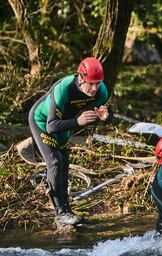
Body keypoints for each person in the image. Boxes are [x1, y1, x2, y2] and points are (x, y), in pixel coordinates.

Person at [28, 57, 112, 225]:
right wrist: (77, 122)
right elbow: (51, 126)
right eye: (91, 84)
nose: (95, 88)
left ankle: (67, 210)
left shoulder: (101, 90)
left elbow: (107, 115)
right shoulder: (64, 88)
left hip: (65, 125)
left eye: (98, 83)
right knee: (55, 162)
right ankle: (60, 213)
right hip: (42, 121)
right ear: (81, 78)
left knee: (64, 164)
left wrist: (106, 117)